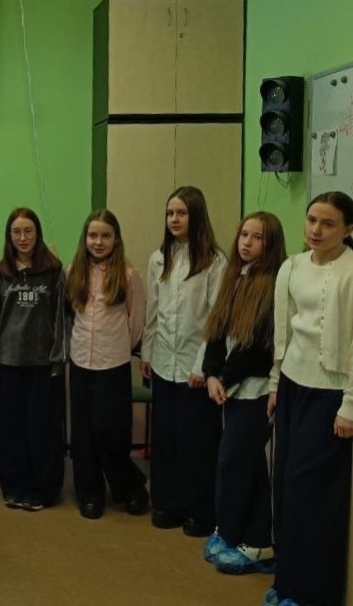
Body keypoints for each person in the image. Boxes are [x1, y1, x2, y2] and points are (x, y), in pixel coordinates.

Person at [264, 192, 353, 606]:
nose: (316, 230)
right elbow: (282, 331)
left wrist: (350, 404)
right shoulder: (292, 266)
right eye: (312, 220)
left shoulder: (351, 271)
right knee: (284, 484)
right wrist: (274, 384)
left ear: (348, 229)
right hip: (292, 385)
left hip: (331, 394)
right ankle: (287, 582)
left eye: (328, 223)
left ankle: (313, 593)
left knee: (311, 493)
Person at [199, 212, 285, 575]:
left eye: (257, 237)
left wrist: (224, 377)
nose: (246, 242)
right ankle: (242, 535)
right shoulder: (235, 276)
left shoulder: (274, 284)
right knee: (242, 465)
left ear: (271, 244)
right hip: (232, 388)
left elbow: (256, 347)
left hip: (256, 390)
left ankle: (251, 539)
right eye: (244, 234)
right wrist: (210, 374)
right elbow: (217, 333)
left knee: (238, 464)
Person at [141, 186, 227, 537]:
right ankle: (166, 504)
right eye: (170, 213)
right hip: (164, 361)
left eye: (182, 213)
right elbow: (153, 311)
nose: (174, 219)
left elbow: (215, 319)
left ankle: (198, 510)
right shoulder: (158, 258)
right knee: (165, 438)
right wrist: (148, 352)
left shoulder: (214, 261)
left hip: (195, 366)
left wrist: (202, 366)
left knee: (197, 442)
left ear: (197, 216)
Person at [0, 207, 68, 511]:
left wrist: (58, 360)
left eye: (28, 231)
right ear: (9, 236)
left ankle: (43, 489)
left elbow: (62, 318)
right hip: (8, 365)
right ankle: (15, 486)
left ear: (37, 234)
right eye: (16, 232)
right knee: (11, 431)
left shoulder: (54, 271)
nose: (22, 237)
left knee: (42, 430)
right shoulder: (0, 272)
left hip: (44, 365)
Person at [65, 209, 148, 520]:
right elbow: (70, 316)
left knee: (110, 432)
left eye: (105, 236)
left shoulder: (128, 275)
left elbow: (136, 322)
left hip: (113, 363)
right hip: (80, 362)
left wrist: (120, 346)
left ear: (116, 239)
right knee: (84, 434)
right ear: (85, 238)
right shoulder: (73, 272)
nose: (98, 242)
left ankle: (130, 487)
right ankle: (90, 493)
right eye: (93, 235)